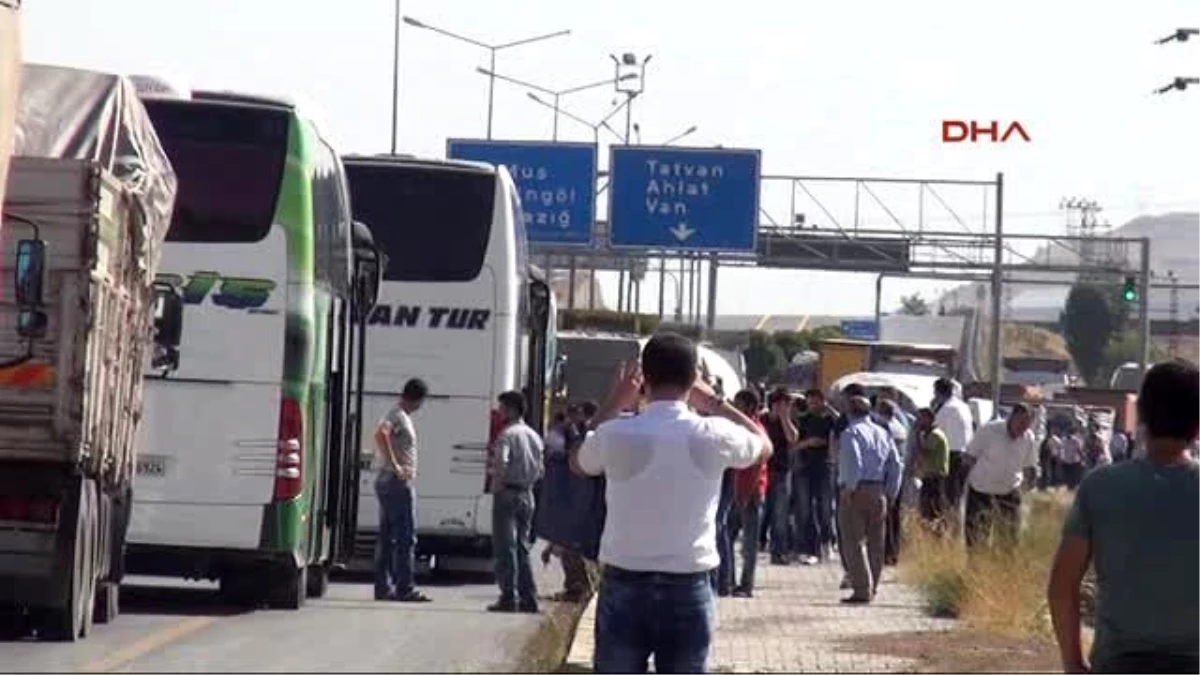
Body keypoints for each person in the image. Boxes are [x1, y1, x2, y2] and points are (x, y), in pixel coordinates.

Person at [573, 333, 773, 673]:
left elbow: (578, 461)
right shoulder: (714, 434)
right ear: (693, 376)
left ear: (643, 378)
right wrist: (716, 402)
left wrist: (614, 402)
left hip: (624, 581)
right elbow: (763, 445)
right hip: (689, 582)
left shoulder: (617, 434)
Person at [1048, 361, 1200, 673]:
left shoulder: (1099, 487)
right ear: (1197, 425)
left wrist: (1073, 663)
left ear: (1141, 416)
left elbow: (1062, 585)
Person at [836, 395, 903, 604]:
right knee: (876, 542)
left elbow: (853, 461)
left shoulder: (851, 433)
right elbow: (896, 465)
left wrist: (850, 487)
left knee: (853, 541)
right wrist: (891, 492)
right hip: (879, 490)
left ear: (849, 412)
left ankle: (861, 589)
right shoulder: (883, 433)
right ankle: (873, 586)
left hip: (857, 490)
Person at [372, 378, 432, 603]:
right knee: (406, 537)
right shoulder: (397, 415)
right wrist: (396, 464)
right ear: (417, 399)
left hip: (389, 481)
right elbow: (381, 434)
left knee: (387, 537)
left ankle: (383, 587)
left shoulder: (399, 415)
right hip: (396, 482)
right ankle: (405, 587)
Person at [487, 390, 545, 613]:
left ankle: (508, 596)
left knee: (505, 547)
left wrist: (497, 484)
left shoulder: (507, 435)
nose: (499, 411)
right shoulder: (533, 435)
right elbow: (541, 470)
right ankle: (529, 597)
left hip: (508, 494)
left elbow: (501, 463)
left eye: (502, 407)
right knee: (522, 547)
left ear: (511, 409)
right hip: (527, 494)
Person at [961, 403, 1038, 551]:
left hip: (1009, 492)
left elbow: (1029, 466)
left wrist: (1030, 488)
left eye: (1027, 425)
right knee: (976, 539)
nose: (1023, 429)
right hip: (981, 491)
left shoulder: (1028, 438)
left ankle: (1001, 571)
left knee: (1008, 541)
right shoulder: (989, 431)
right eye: (1021, 423)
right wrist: (962, 485)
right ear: (1011, 417)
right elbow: (969, 457)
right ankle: (975, 572)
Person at [731, 388, 769, 597]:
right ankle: (735, 581)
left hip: (751, 493)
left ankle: (747, 584)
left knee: (749, 543)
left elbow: (756, 467)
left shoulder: (755, 429)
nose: (736, 407)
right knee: (731, 536)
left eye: (739, 403)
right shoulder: (744, 427)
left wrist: (745, 495)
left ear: (749, 406)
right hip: (742, 490)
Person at [794, 388, 838, 564]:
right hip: (805, 467)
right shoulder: (802, 420)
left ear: (822, 401)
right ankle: (808, 547)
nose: (812, 406)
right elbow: (794, 445)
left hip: (825, 466)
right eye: (810, 402)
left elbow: (842, 424)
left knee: (825, 508)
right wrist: (809, 443)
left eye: (816, 402)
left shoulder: (829, 420)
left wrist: (830, 409)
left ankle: (827, 543)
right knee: (805, 509)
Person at [760, 387, 798, 565]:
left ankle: (779, 551)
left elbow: (792, 438)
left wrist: (784, 418)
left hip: (781, 472)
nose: (787, 407)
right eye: (783, 404)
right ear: (774, 404)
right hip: (763, 471)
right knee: (761, 511)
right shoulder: (763, 419)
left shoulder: (788, 421)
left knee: (780, 513)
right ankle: (757, 544)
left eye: (788, 405)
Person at [932, 378, 974, 523]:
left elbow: (935, 433)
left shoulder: (946, 409)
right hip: (965, 455)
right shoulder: (964, 406)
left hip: (951, 456)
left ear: (938, 392)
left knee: (948, 499)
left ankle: (949, 531)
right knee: (959, 498)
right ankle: (956, 530)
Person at [876, 399, 908, 566]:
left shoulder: (884, 427)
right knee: (894, 516)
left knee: (885, 517)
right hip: (899, 476)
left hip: (887, 477)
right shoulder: (900, 427)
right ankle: (894, 553)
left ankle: (886, 553)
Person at [909, 408, 951, 532]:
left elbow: (924, 453)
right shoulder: (930, 435)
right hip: (930, 476)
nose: (918, 422)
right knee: (927, 511)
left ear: (928, 419)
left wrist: (916, 435)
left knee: (933, 510)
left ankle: (937, 535)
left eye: (920, 418)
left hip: (935, 478)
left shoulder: (935, 435)